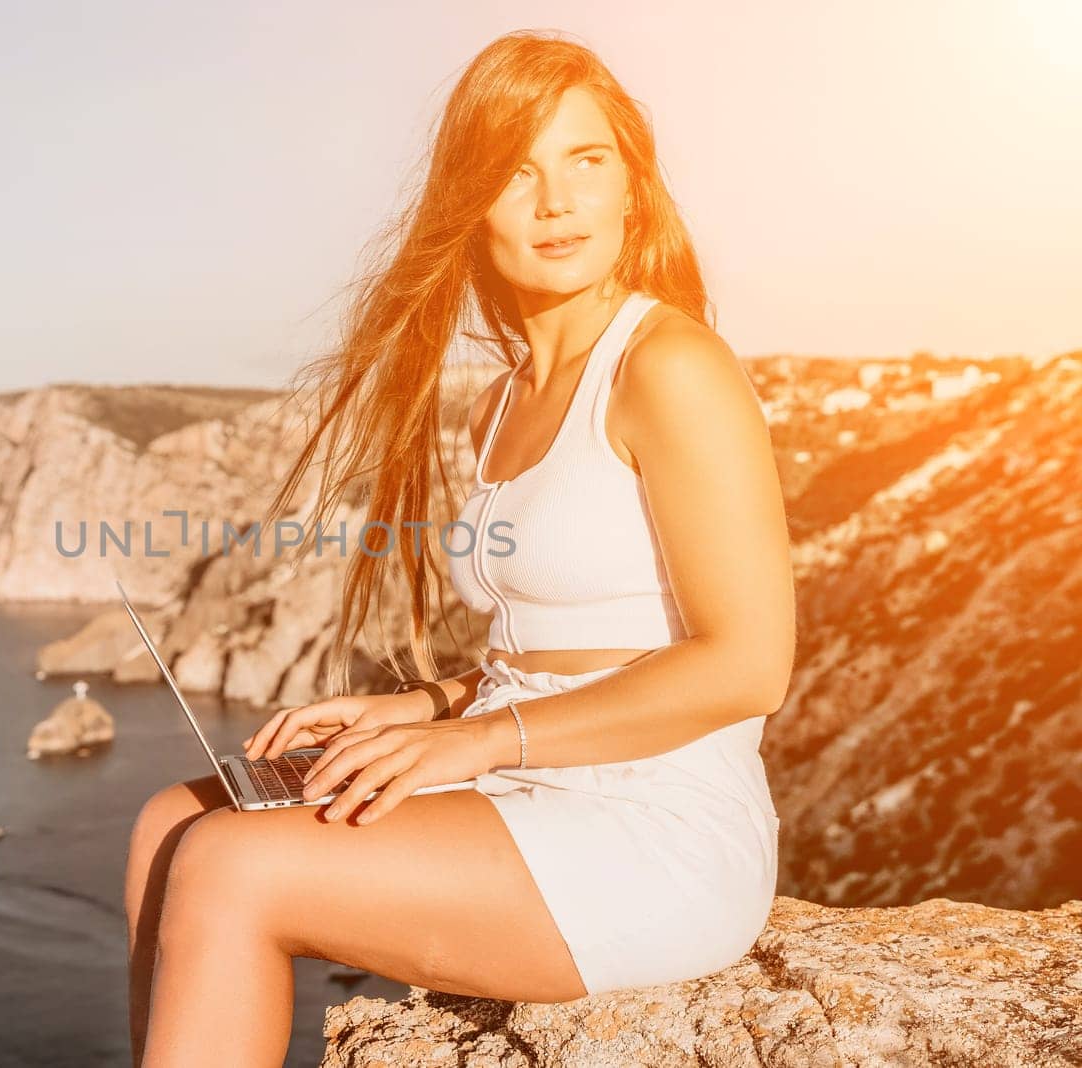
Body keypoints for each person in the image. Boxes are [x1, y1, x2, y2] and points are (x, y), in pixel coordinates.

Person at [123, 29, 795, 1068]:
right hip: (532, 768)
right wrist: (426, 706)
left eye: (586, 161)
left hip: (655, 817)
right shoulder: (498, 405)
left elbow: (749, 665)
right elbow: (571, 632)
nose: (555, 202)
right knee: (170, 823)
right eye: (515, 172)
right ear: (470, 204)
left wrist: (476, 741)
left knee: (227, 865)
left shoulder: (669, 366)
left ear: (632, 187)